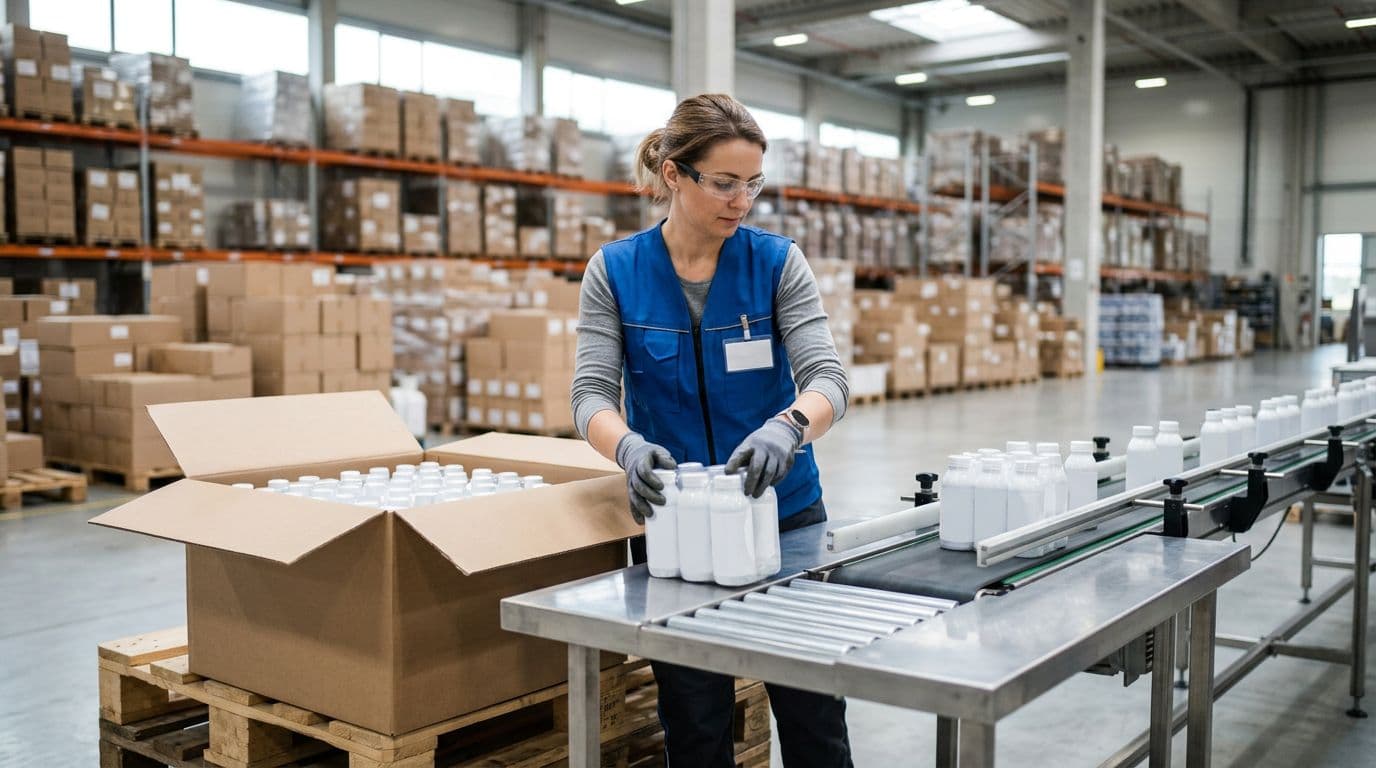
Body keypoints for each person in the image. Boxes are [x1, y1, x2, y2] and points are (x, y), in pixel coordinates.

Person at [571, 93, 853, 768]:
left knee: (814, 719)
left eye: (753, 184)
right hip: (677, 526)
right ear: (674, 174)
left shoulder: (776, 263)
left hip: (785, 517)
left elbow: (828, 379)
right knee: (695, 727)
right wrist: (627, 447)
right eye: (725, 183)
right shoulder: (616, 271)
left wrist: (789, 427)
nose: (742, 201)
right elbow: (590, 395)